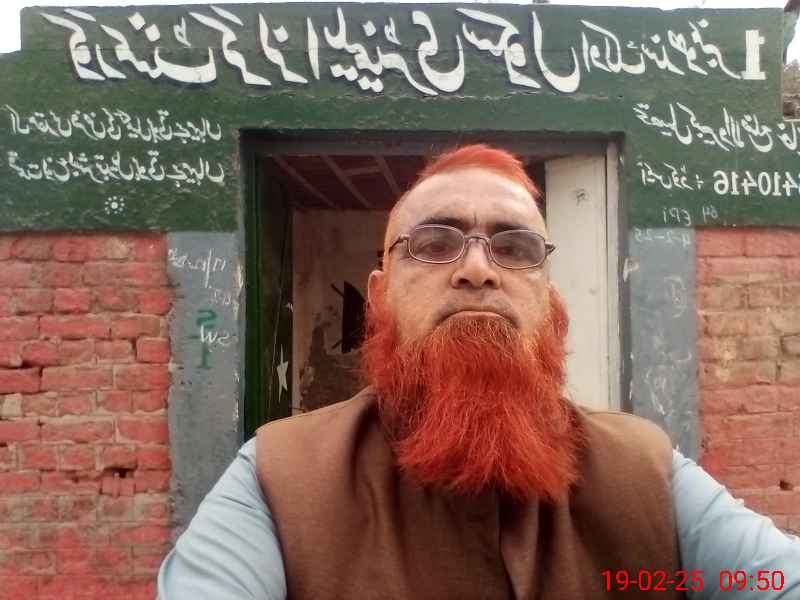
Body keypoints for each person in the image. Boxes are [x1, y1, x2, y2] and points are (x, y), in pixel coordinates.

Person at [158, 144, 799, 599]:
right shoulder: (279, 477)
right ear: (379, 299)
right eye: (433, 244)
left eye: (515, 248)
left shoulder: (644, 471)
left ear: (551, 303)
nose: (476, 270)